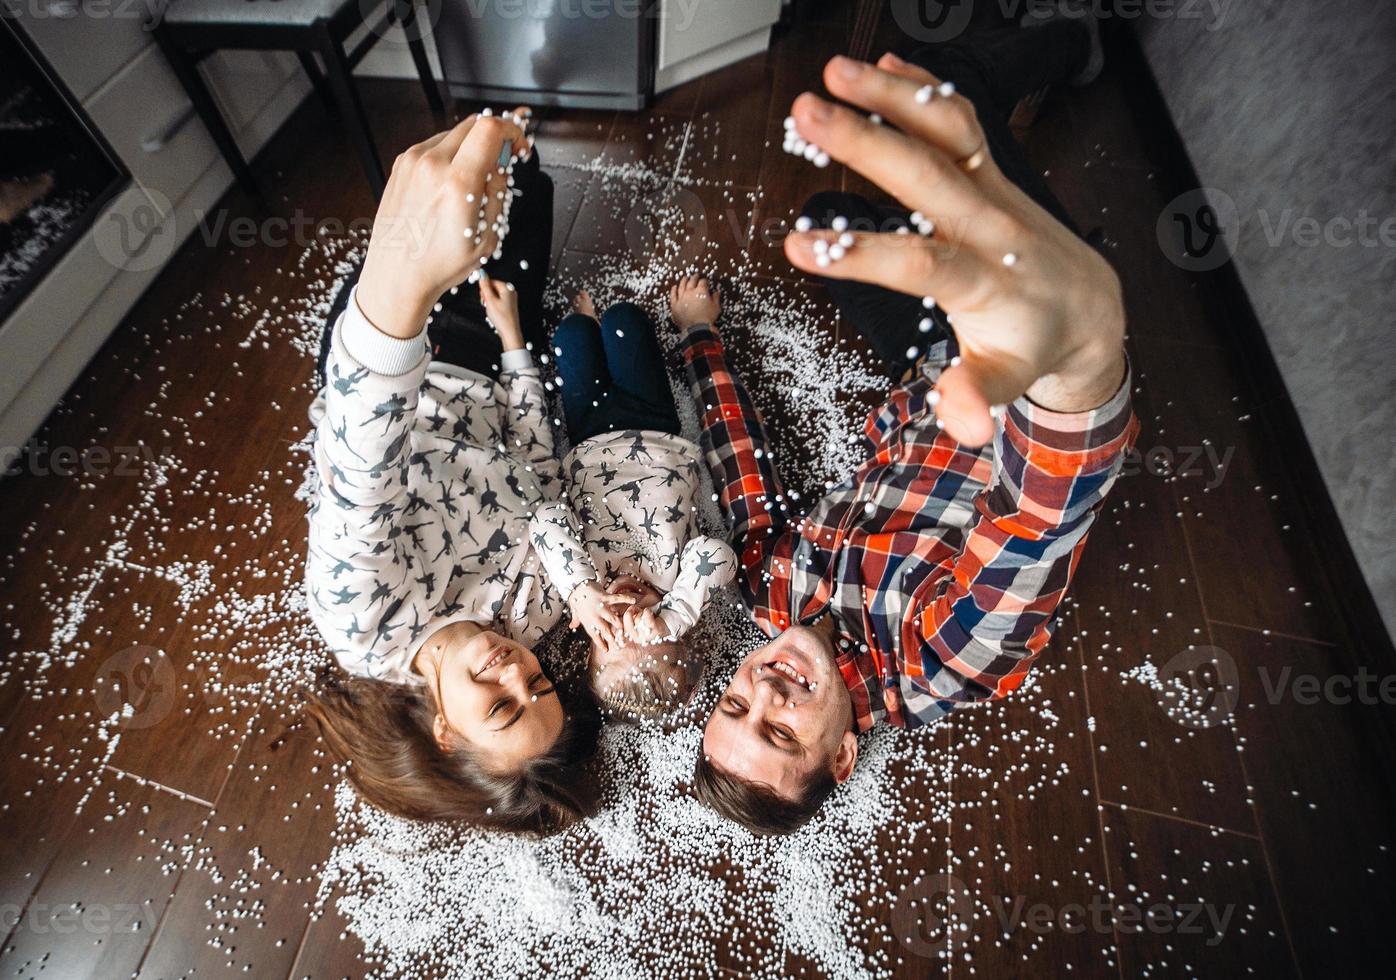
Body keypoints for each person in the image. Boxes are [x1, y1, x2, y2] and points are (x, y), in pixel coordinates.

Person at [685, 15, 1139, 835]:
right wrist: (1078, 370)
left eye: (736, 702)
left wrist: (700, 339)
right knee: (946, 81)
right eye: (781, 731)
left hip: (927, 371)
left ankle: (1018, 249)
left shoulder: (771, 590)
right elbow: (1039, 520)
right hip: (1023, 370)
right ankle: (1085, 40)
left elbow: (740, 473)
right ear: (844, 756)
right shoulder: (939, 657)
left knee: (827, 223)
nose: (767, 691)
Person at [301, 109, 601, 835]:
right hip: (487, 356)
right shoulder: (541, 611)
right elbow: (538, 472)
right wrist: (515, 345)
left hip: (402, 355)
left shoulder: (363, 622)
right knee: (526, 174)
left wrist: (398, 294)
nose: (514, 668)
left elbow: (359, 467)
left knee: (447, 177)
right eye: (538, 682)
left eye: (501, 705)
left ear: (445, 733)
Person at [528, 283, 737, 723]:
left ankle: (585, 314)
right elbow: (717, 555)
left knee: (571, 334)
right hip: (656, 427)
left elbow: (547, 520)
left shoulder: (578, 586)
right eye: (645, 631)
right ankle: (607, 316)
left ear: (587, 636)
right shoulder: (679, 579)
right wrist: (674, 613)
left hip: (588, 437)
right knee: (627, 319)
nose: (626, 619)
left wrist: (581, 591)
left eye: (609, 639)